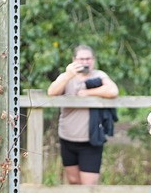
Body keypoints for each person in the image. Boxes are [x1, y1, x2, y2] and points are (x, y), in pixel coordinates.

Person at [47, 45, 119, 185]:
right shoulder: (66, 77)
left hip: (90, 140)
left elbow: (113, 90)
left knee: (89, 184)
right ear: (74, 60)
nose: (85, 62)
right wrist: (69, 74)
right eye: (81, 59)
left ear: (93, 60)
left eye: (88, 58)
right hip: (67, 137)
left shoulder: (99, 75)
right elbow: (51, 92)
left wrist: (87, 93)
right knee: (73, 181)